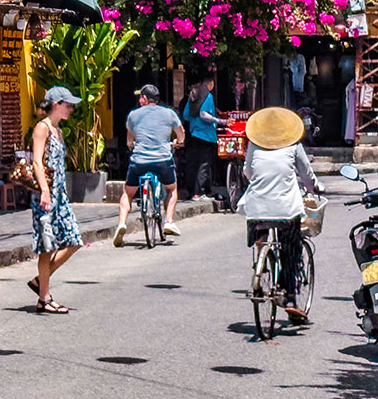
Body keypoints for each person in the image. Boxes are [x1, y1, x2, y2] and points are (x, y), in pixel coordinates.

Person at [236, 107, 321, 323]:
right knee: (291, 250)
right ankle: (290, 298)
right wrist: (315, 188)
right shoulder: (294, 146)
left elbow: (248, 172)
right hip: (285, 209)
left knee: (261, 234)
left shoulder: (254, 145)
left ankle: (262, 260)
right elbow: (306, 174)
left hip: (257, 208)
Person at [28, 87, 84, 314]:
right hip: (46, 195)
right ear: (55, 104)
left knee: (74, 240)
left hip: (60, 195)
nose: (70, 108)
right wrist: (44, 190)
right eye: (67, 104)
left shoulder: (58, 131)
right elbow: (37, 162)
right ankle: (45, 297)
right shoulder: (42, 128)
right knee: (46, 246)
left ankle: (41, 282)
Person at [113, 84, 185, 245]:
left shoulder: (133, 115)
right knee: (172, 189)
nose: (139, 99)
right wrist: (178, 142)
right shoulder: (169, 113)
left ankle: (121, 223)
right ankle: (168, 221)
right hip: (162, 160)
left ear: (144, 98)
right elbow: (181, 133)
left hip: (139, 161)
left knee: (128, 193)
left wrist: (132, 145)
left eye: (141, 97)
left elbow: (129, 140)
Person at [180, 71, 229, 200]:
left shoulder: (194, 94)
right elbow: (204, 114)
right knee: (204, 164)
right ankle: (199, 193)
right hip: (206, 135)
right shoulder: (207, 96)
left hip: (194, 133)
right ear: (211, 84)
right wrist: (220, 121)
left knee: (193, 163)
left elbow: (186, 116)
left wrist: (195, 124)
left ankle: (195, 191)